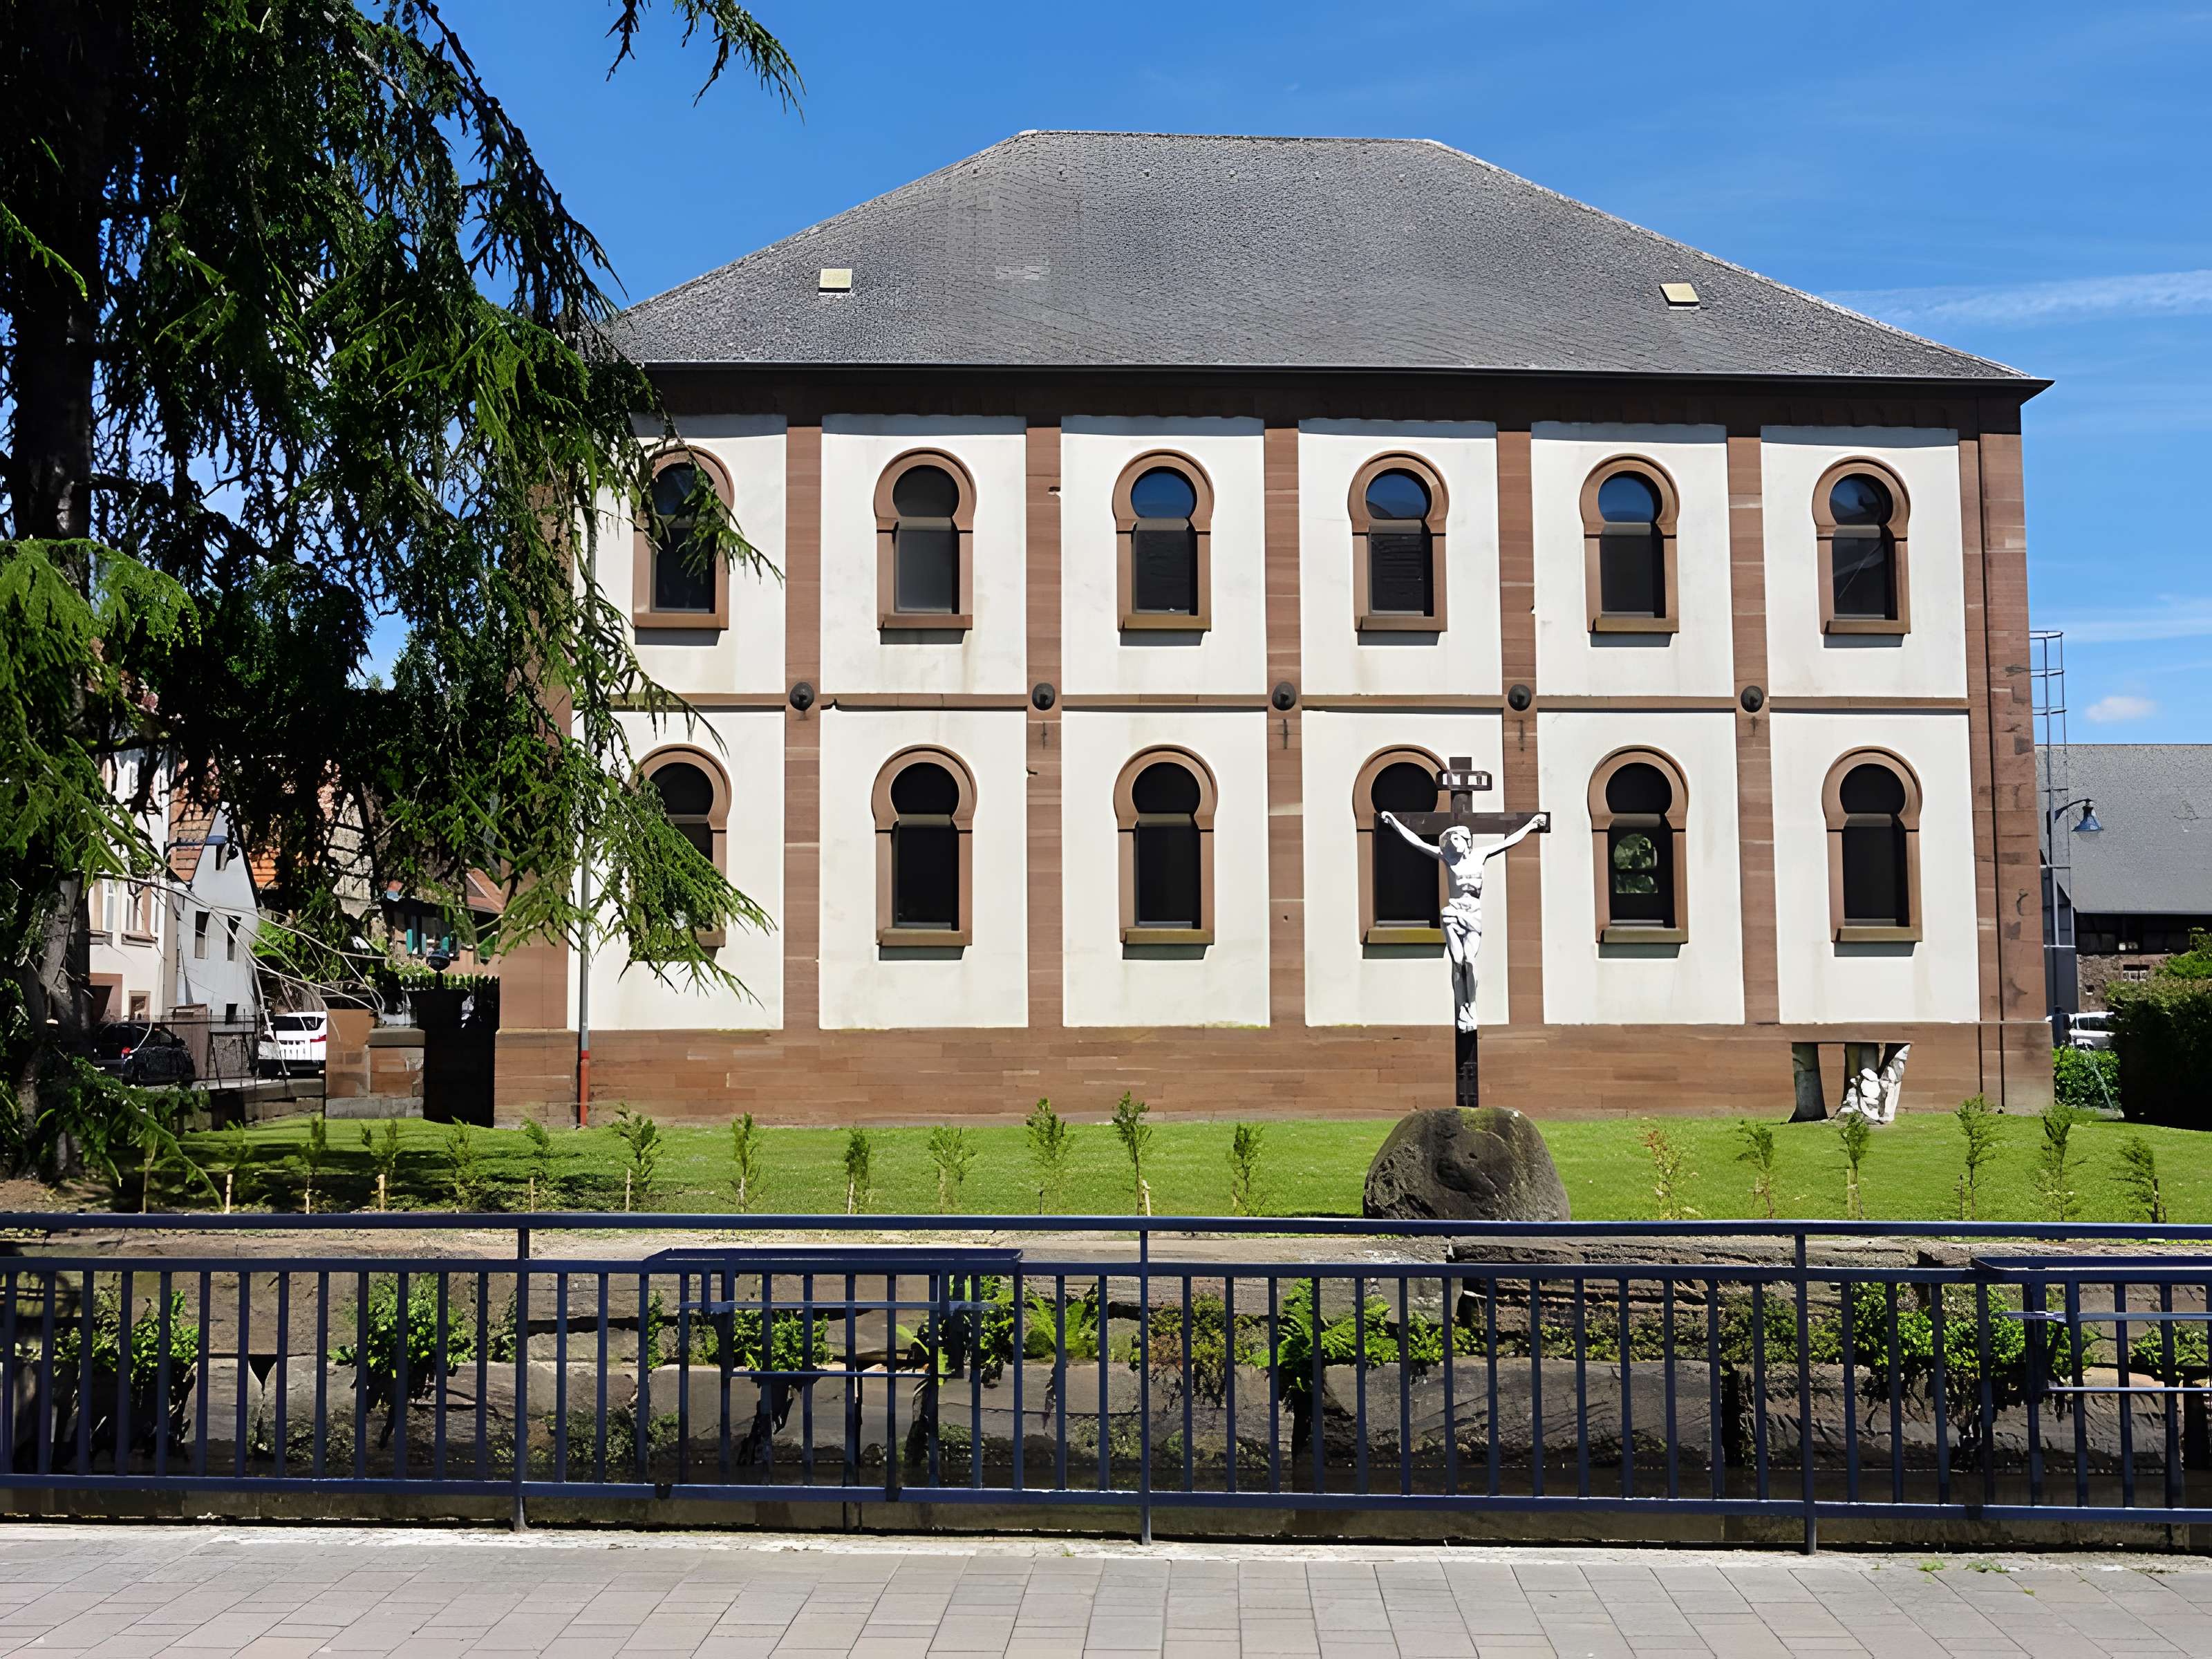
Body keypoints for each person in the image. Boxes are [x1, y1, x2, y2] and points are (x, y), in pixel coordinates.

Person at [1377, 810, 1548, 1033]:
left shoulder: (1481, 855)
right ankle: (1462, 1008)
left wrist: (1532, 825)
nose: (1452, 842)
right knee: (1458, 961)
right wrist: (1393, 822)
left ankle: (1472, 1006)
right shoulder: (1447, 857)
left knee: (1469, 960)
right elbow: (1418, 842)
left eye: (1456, 838)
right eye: (1451, 839)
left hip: (1473, 915)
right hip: (1453, 913)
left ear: (1467, 840)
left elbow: (1509, 842)